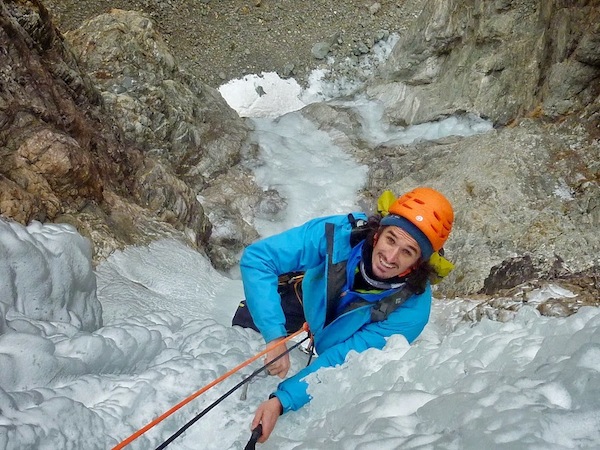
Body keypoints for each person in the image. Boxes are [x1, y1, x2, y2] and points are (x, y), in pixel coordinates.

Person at [236, 187, 454, 443]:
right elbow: (259, 258)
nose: (390, 257)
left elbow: (344, 358)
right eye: (391, 239)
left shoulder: (412, 310)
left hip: (344, 336)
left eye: (407, 252)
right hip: (310, 298)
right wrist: (274, 336)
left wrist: (282, 401)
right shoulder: (338, 234)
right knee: (244, 326)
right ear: (378, 234)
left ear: (418, 263)